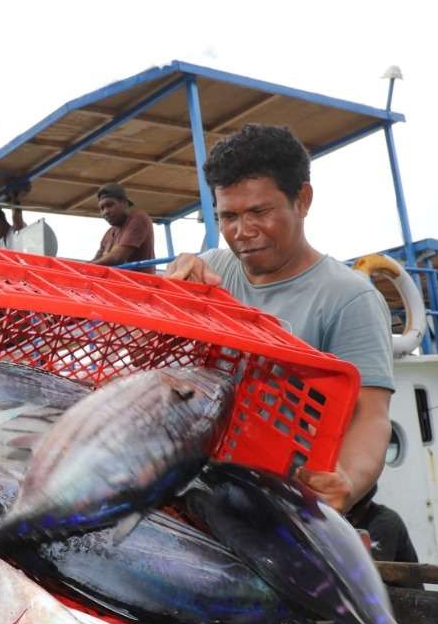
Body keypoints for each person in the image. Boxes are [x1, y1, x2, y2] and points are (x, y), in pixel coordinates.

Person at [165, 125, 393, 511]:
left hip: (283, 505)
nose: (242, 232)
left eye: (259, 211)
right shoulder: (212, 272)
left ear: (302, 200)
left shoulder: (347, 297)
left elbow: (371, 416)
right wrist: (174, 281)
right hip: (200, 484)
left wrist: (348, 481)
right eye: (228, 216)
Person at [90, 183, 155, 266]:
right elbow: (96, 259)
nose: (105, 212)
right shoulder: (109, 233)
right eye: (102, 208)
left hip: (136, 279)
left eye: (109, 205)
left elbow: (117, 258)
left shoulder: (139, 218)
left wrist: (85, 267)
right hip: (113, 278)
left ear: (124, 203)